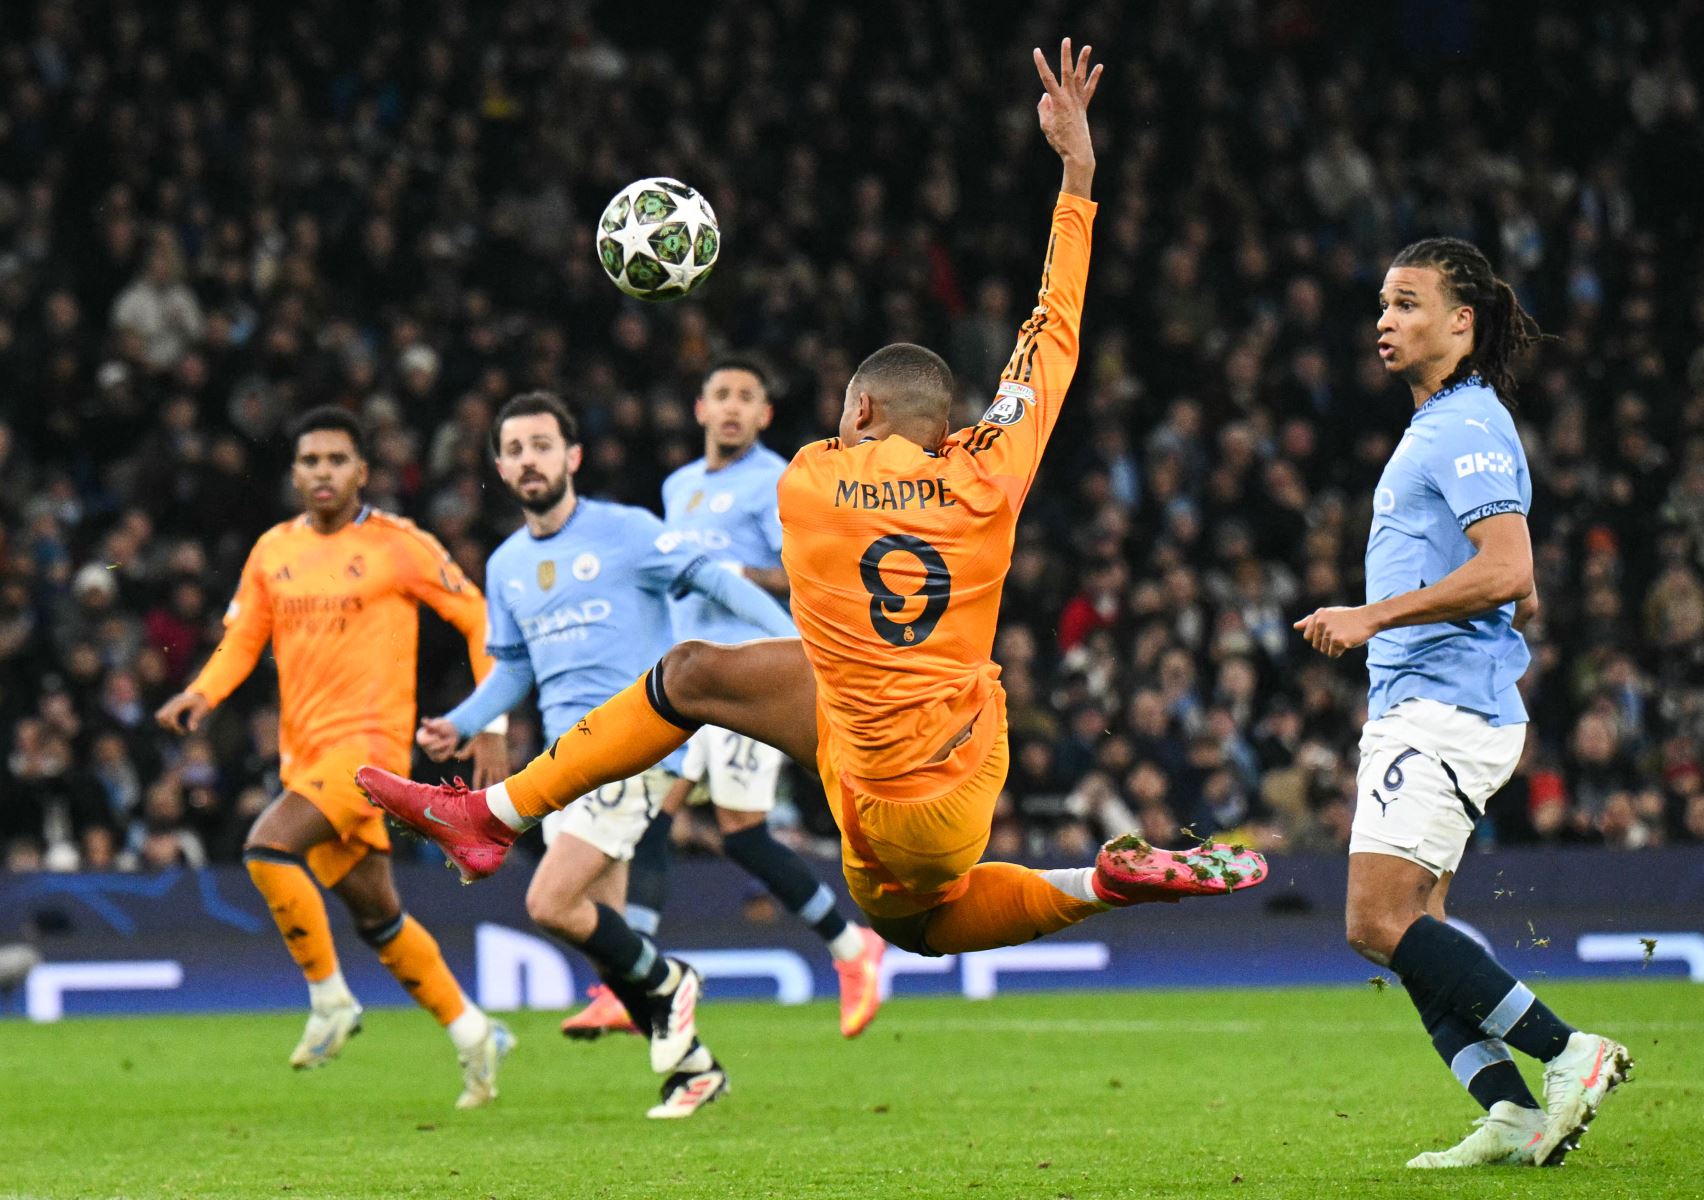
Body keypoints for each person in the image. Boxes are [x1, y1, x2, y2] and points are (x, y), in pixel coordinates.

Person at [361, 39, 1265, 976]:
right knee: (694, 670)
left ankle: (1093, 885)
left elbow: (803, 457)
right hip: (960, 761)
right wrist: (1077, 175)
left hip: (884, 797)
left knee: (916, 925)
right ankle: (486, 815)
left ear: (861, 411)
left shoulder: (805, 482)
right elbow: (1053, 337)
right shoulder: (992, 471)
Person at [1293, 239, 1631, 1168]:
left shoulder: (1462, 426)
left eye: (1406, 304)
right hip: (1433, 699)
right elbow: (1507, 576)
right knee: (1415, 930)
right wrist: (1494, 591)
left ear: (1461, 323)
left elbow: (1508, 564)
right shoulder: (1446, 424)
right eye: (1381, 304)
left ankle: (1570, 1051)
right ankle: (1511, 1110)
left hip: (1442, 707)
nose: (1384, 321)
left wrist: (1375, 615)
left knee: (1374, 920)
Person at [416, 391, 796, 1118]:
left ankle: (674, 983)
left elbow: (711, 580)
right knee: (608, 943)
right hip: (563, 765)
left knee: (547, 902)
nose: (530, 460)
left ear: (573, 456)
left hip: (632, 749)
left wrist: (789, 649)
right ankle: (695, 1069)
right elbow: (516, 669)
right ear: (501, 465)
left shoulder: (625, 531)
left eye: (542, 445)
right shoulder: (505, 566)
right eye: (516, 449)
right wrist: (461, 722)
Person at [155, 407, 512, 1109]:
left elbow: (480, 617)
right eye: (310, 460)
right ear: (295, 474)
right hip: (305, 759)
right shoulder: (271, 551)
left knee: (265, 849)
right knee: (378, 916)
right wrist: (201, 691)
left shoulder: (398, 544)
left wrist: (490, 718)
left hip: (368, 753)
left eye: (336, 460)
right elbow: (243, 638)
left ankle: (329, 1001)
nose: (323, 471)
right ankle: (475, 1036)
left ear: (362, 472)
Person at [565, 358, 882, 1044]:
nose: (733, 407)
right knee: (676, 823)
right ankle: (637, 981)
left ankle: (852, 949)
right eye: (721, 395)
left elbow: (808, 575)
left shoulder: (773, 481)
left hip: (749, 676)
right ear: (700, 409)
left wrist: (741, 574)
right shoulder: (677, 487)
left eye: (747, 397)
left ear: (764, 415)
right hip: (685, 679)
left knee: (726, 831)